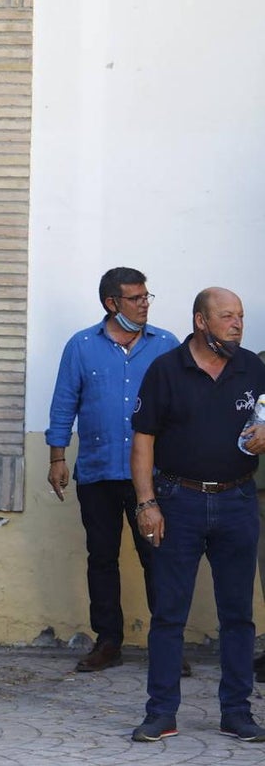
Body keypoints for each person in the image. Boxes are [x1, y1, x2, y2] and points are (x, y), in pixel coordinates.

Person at [130, 287, 265, 743]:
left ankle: (237, 712)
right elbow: (143, 439)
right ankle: (161, 713)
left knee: (238, 615)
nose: (237, 324)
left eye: (240, 316)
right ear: (200, 321)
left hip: (238, 501)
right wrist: (147, 503)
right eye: (226, 316)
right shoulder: (166, 369)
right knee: (169, 614)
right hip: (178, 501)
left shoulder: (253, 368)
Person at [45, 268, 179, 672]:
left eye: (146, 296)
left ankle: (167, 645)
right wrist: (57, 458)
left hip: (152, 477)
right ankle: (108, 643)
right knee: (101, 558)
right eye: (135, 298)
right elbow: (64, 403)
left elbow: (183, 406)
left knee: (158, 558)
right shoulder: (82, 346)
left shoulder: (166, 345)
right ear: (111, 303)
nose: (144, 304)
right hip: (98, 472)